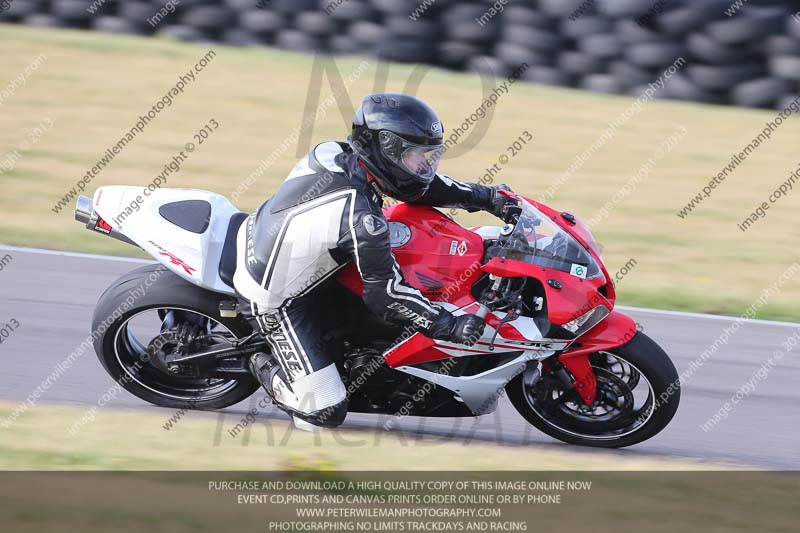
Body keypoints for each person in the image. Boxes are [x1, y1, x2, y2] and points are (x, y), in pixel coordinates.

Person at [232, 93, 517, 430]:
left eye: (427, 156)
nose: (423, 166)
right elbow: (385, 296)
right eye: (415, 156)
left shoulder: (338, 152)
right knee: (324, 413)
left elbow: (418, 189)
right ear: (386, 148)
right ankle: (259, 360)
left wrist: (487, 197)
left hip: (300, 256)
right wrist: (448, 325)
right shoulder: (361, 219)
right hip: (276, 297)